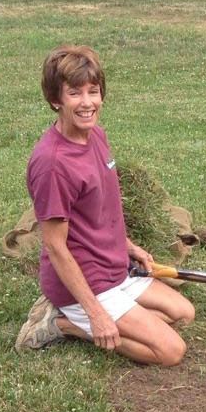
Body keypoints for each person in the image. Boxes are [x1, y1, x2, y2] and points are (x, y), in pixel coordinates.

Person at [15, 45, 194, 365]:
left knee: (183, 314)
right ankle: (62, 324)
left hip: (113, 268)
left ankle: (85, 314)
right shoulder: (52, 164)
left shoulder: (95, 135)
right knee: (170, 351)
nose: (87, 103)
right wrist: (97, 315)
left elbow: (98, 214)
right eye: (74, 93)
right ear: (56, 99)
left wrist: (129, 247)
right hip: (86, 282)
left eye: (93, 91)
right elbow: (56, 248)